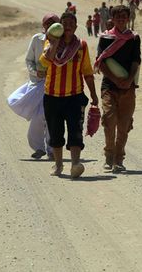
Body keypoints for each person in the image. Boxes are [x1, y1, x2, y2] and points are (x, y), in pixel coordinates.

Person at [39, 12, 99, 178]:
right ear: (60, 26)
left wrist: (93, 94)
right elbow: (44, 62)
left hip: (75, 97)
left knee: (75, 131)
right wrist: (54, 42)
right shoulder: (50, 42)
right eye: (64, 23)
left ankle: (75, 164)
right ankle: (58, 166)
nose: (68, 25)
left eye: (71, 22)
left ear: (76, 25)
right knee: (55, 132)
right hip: (52, 97)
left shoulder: (82, 46)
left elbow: (87, 72)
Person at [94, 5, 141, 173]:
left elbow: (136, 61)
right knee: (108, 120)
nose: (121, 19)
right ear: (112, 19)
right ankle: (109, 155)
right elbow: (101, 62)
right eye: (117, 16)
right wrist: (115, 79)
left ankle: (118, 159)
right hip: (109, 86)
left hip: (128, 88)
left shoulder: (133, 38)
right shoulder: (105, 38)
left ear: (128, 19)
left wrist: (128, 81)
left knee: (124, 125)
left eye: (124, 16)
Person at [9, 13, 59, 159]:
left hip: (56, 85)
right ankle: (39, 148)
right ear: (44, 25)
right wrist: (36, 73)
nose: (50, 26)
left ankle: (51, 149)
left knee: (51, 116)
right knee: (39, 116)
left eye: (53, 23)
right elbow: (29, 60)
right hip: (38, 83)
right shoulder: (37, 39)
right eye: (47, 23)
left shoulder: (62, 42)